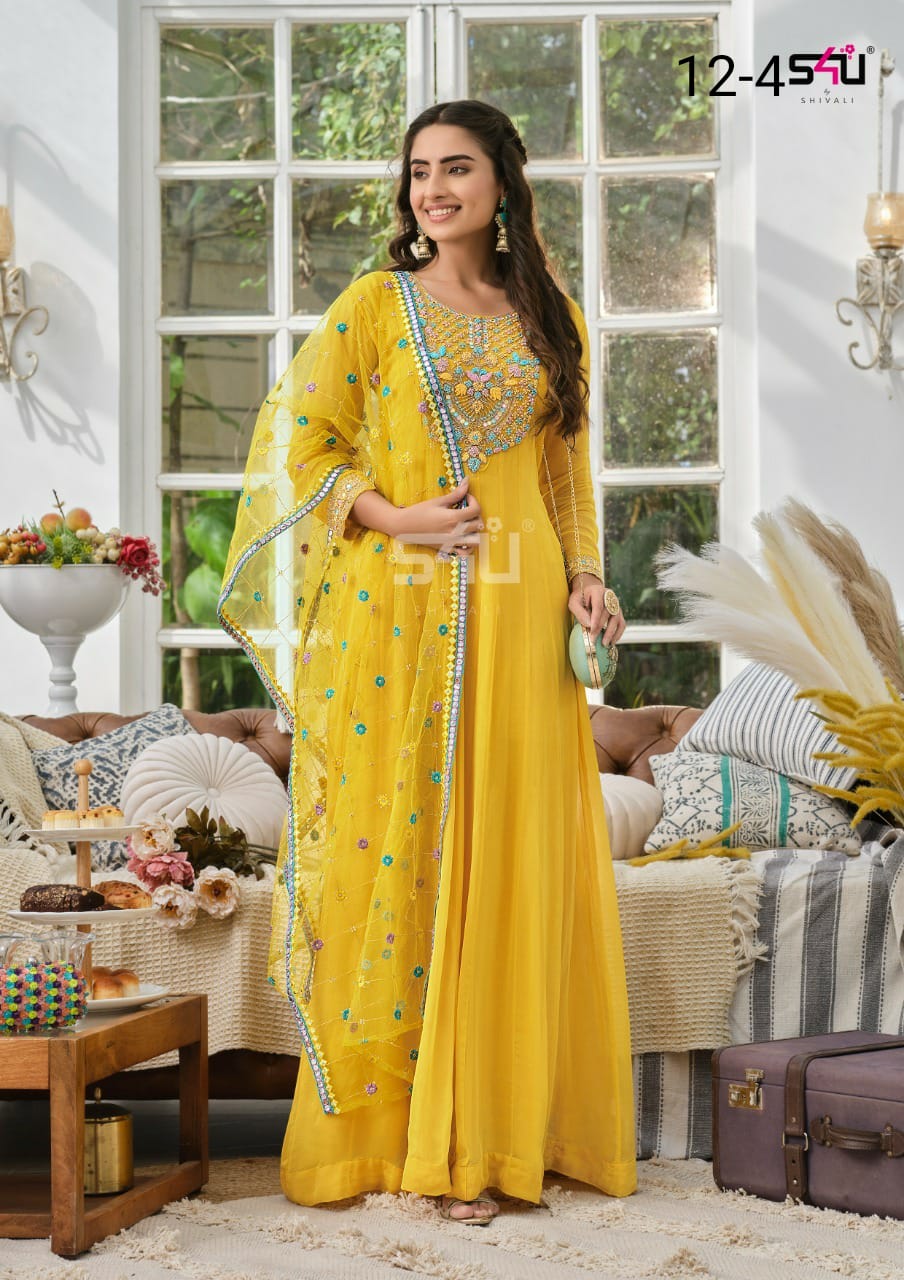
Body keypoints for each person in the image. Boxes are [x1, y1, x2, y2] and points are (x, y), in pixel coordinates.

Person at [219, 98, 636, 1225]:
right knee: (416, 853)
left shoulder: (551, 316)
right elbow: (298, 445)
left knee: (515, 860)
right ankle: (421, 1138)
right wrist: (396, 517)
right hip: (406, 621)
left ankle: (504, 1130)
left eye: (456, 168)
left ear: (503, 183)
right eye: (418, 172)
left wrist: (586, 577)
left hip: (524, 620)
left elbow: (565, 476)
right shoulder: (376, 306)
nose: (433, 190)